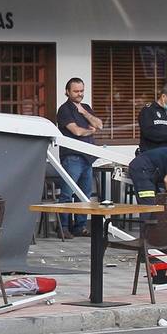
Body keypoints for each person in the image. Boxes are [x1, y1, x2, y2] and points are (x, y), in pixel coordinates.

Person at [55, 77, 101, 236]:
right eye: (76, 91)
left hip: (87, 158)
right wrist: (91, 131)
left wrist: (85, 113)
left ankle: (80, 226)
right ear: (67, 92)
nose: (79, 94)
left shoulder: (86, 107)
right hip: (72, 157)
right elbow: (77, 131)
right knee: (67, 194)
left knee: (84, 194)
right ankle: (64, 227)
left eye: (81, 90)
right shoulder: (64, 110)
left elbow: (99, 124)